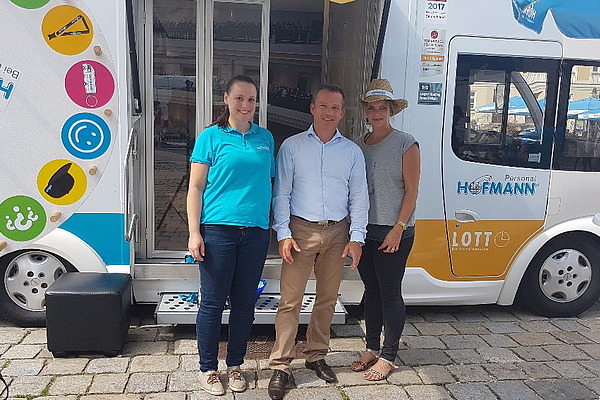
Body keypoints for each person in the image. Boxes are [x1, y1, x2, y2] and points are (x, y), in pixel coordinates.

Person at [267, 84, 369, 400]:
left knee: (327, 298)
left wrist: (357, 238)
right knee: (290, 300)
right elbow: (281, 193)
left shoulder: (351, 152)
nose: (329, 112)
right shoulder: (292, 147)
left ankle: (316, 355)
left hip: (338, 233)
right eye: (323, 106)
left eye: (335, 107)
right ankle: (281, 365)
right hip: (300, 231)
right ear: (312, 109)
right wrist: (283, 233)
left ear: (342, 113)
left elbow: (359, 197)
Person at [186, 75, 275, 396]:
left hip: (255, 233)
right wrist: (194, 232)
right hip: (218, 231)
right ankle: (208, 369)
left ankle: (235, 364)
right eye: (239, 98)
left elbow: (269, 183)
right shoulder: (210, 137)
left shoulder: (265, 138)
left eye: (251, 99)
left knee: (244, 304)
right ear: (226, 99)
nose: (245, 105)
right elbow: (195, 188)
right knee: (212, 303)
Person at [350, 79, 420, 381]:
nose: (376, 113)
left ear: (391, 110)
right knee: (372, 291)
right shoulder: (359, 145)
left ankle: (389, 356)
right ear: (366, 112)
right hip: (365, 230)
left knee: (390, 293)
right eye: (371, 108)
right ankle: (371, 348)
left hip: (394, 230)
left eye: (382, 108)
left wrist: (398, 228)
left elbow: (412, 191)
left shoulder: (406, 143)